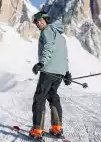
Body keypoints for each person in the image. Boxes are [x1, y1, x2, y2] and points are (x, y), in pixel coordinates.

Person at [29, 11, 72, 140]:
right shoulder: (60, 36)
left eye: (40, 21)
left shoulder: (47, 31)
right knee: (53, 96)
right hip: (59, 72)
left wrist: (41, 63)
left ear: (46, 20)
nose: (38, 24)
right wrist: (66, 72)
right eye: (36, 22)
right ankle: (57, 128)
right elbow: (63, 55)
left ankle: (37, 130)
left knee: (39, 98)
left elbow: (49, 46)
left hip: (48, 71)